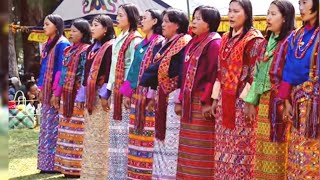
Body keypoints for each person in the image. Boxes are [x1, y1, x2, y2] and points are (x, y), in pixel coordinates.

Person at [210, 0, 264, 179]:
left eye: (236, 11)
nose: (231, 15)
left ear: (247, 14)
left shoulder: (254, 39)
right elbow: (219, 69)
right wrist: (215, 98)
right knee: (223, 151)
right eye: (229, 11)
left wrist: (248, 101)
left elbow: (254, 74)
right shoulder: (225, 37)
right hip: (224, 102)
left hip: (242, 104)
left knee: (242, 151)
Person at [243, 1, 295, 179]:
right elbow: (257, 73)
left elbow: (289, 74)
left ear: (285, 17)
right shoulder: (267, 42)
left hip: (280, 102)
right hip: (264, 103)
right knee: (262, 151)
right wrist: (251, 100)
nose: (268, 18)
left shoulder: (291, 41)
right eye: (268, 13)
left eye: (273, 14)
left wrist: (285, 100)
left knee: (278, 148)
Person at [140, 8, 191, 179]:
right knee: (161, 139)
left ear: (177, 25)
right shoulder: (163, 44)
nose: (163, 25)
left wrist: (179, 98)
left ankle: (169, 175)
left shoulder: (184, 42)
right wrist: (150, 93)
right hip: (161, 95)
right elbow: (149, 71)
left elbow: (183, 72)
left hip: (173, 96)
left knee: (172, 140)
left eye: (167, 21)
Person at [175, 5, 221, 179]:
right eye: (193, 18)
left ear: (209, 23)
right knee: (187, 148)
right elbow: (184, 73)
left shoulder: (214, 43)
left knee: (200, 147)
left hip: (202, 102)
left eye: (199, 18)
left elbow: (213, 74)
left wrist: (207, 101)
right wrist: (180, 99)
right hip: (188, 101)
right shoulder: (193, 41)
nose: (194, 21)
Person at [119, 9, 164, 179]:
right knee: (135, 133)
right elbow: (133, 70)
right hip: (136, 95)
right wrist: (126, 93)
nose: (141, 21)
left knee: (148, 133)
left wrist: (152, 95)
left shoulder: (159, 42)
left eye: (144, 18)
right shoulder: (140, 45)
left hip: (149, 97)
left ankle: (146, 173)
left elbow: (156, 71)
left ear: (154, 21)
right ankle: (135, 172)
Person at [279, 0, 319, 178]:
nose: (301, 8)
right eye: (299, 3)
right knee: (297, 152)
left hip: (316, 109)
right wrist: (286, 100)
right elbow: (288, 68)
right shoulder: (297, 36)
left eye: (305, 3)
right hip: (297, 106)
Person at [106, 3, 142, 179]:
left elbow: (134, 68)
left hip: (126, 91)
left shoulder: (135, 39)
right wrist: (108, 89)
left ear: (131, 17)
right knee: (115, 135)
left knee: (125, 134)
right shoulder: (120, 37)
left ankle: (125, 173)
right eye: (117, 15)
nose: (117, 18)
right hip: (116, 89)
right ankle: (115, 173)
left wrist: (127, 91)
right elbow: (114, 67)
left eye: (121, 15)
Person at [78, 15, 115, 179]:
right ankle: (89, 173)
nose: (92, 28)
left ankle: (101, 173)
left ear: (106, 28)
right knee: (91, 136)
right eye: (91, 25)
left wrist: (104, 94)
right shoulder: (91, 48)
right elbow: (86, 74)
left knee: (102, 136)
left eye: (96, 25)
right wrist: (81, 96)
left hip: (102, 97)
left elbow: (109, 73)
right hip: (90, 96)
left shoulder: (110, 47)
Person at [53, 18, 91, 178]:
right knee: (65, 130)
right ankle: (65, 167)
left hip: (77, 97)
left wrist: (81, 95)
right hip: (65, 96)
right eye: (71, 30)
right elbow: (62, 74)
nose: (71, 33)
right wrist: (57, 93)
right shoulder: (68, 51)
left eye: (75, 31)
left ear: (83, 33)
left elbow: (84, 75)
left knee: (77, 131)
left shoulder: (86, 50)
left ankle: (76, 168)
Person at [37, 14, 70, 173]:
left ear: (56, 26)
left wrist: (55, 93)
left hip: (55, 92)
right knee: (46, 127)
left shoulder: (62, 44)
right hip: (46, 90)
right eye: (44, 24)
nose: (44, 27)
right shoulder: (47, 44)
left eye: (47, 24)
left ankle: (54, 164)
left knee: (54, 127)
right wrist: (40, 87)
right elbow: (43, 69)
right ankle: (45, 164)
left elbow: (61, 70)